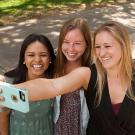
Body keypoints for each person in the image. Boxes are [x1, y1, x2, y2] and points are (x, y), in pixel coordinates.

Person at [0, 33, 56, 135]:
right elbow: (3, 117)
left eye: (43, 55)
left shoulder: (55, 81)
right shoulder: (10, 83)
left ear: (50, 59)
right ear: (24, 59)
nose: (37, 59)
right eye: (31, 55)